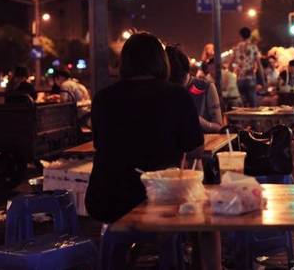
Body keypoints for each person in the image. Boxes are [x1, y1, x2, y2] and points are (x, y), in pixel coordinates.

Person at [86, 33, 219, 269]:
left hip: (106, 199)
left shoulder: (103, 98)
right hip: (160, 199)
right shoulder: (177, 96)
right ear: (161, 62)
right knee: (210, 212)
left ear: (125, 62)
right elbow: (196, 147)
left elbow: (99, 143)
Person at [166, 45, 223, 133]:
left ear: (186, 72)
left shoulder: (206, 87)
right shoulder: (165, 89)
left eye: (179, 81)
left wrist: (195, 119)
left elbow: (218, 127)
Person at [232, 27, 265, 107]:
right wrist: (263, 79)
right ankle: (253, 119)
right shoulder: (253, 47)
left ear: (240, 36)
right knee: (252, 104)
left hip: (239, 78)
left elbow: (231, 63)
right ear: (250, 35)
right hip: (250, 78)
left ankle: (243, 119)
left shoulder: (236, 48)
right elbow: (259, 64)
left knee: (242, 103)